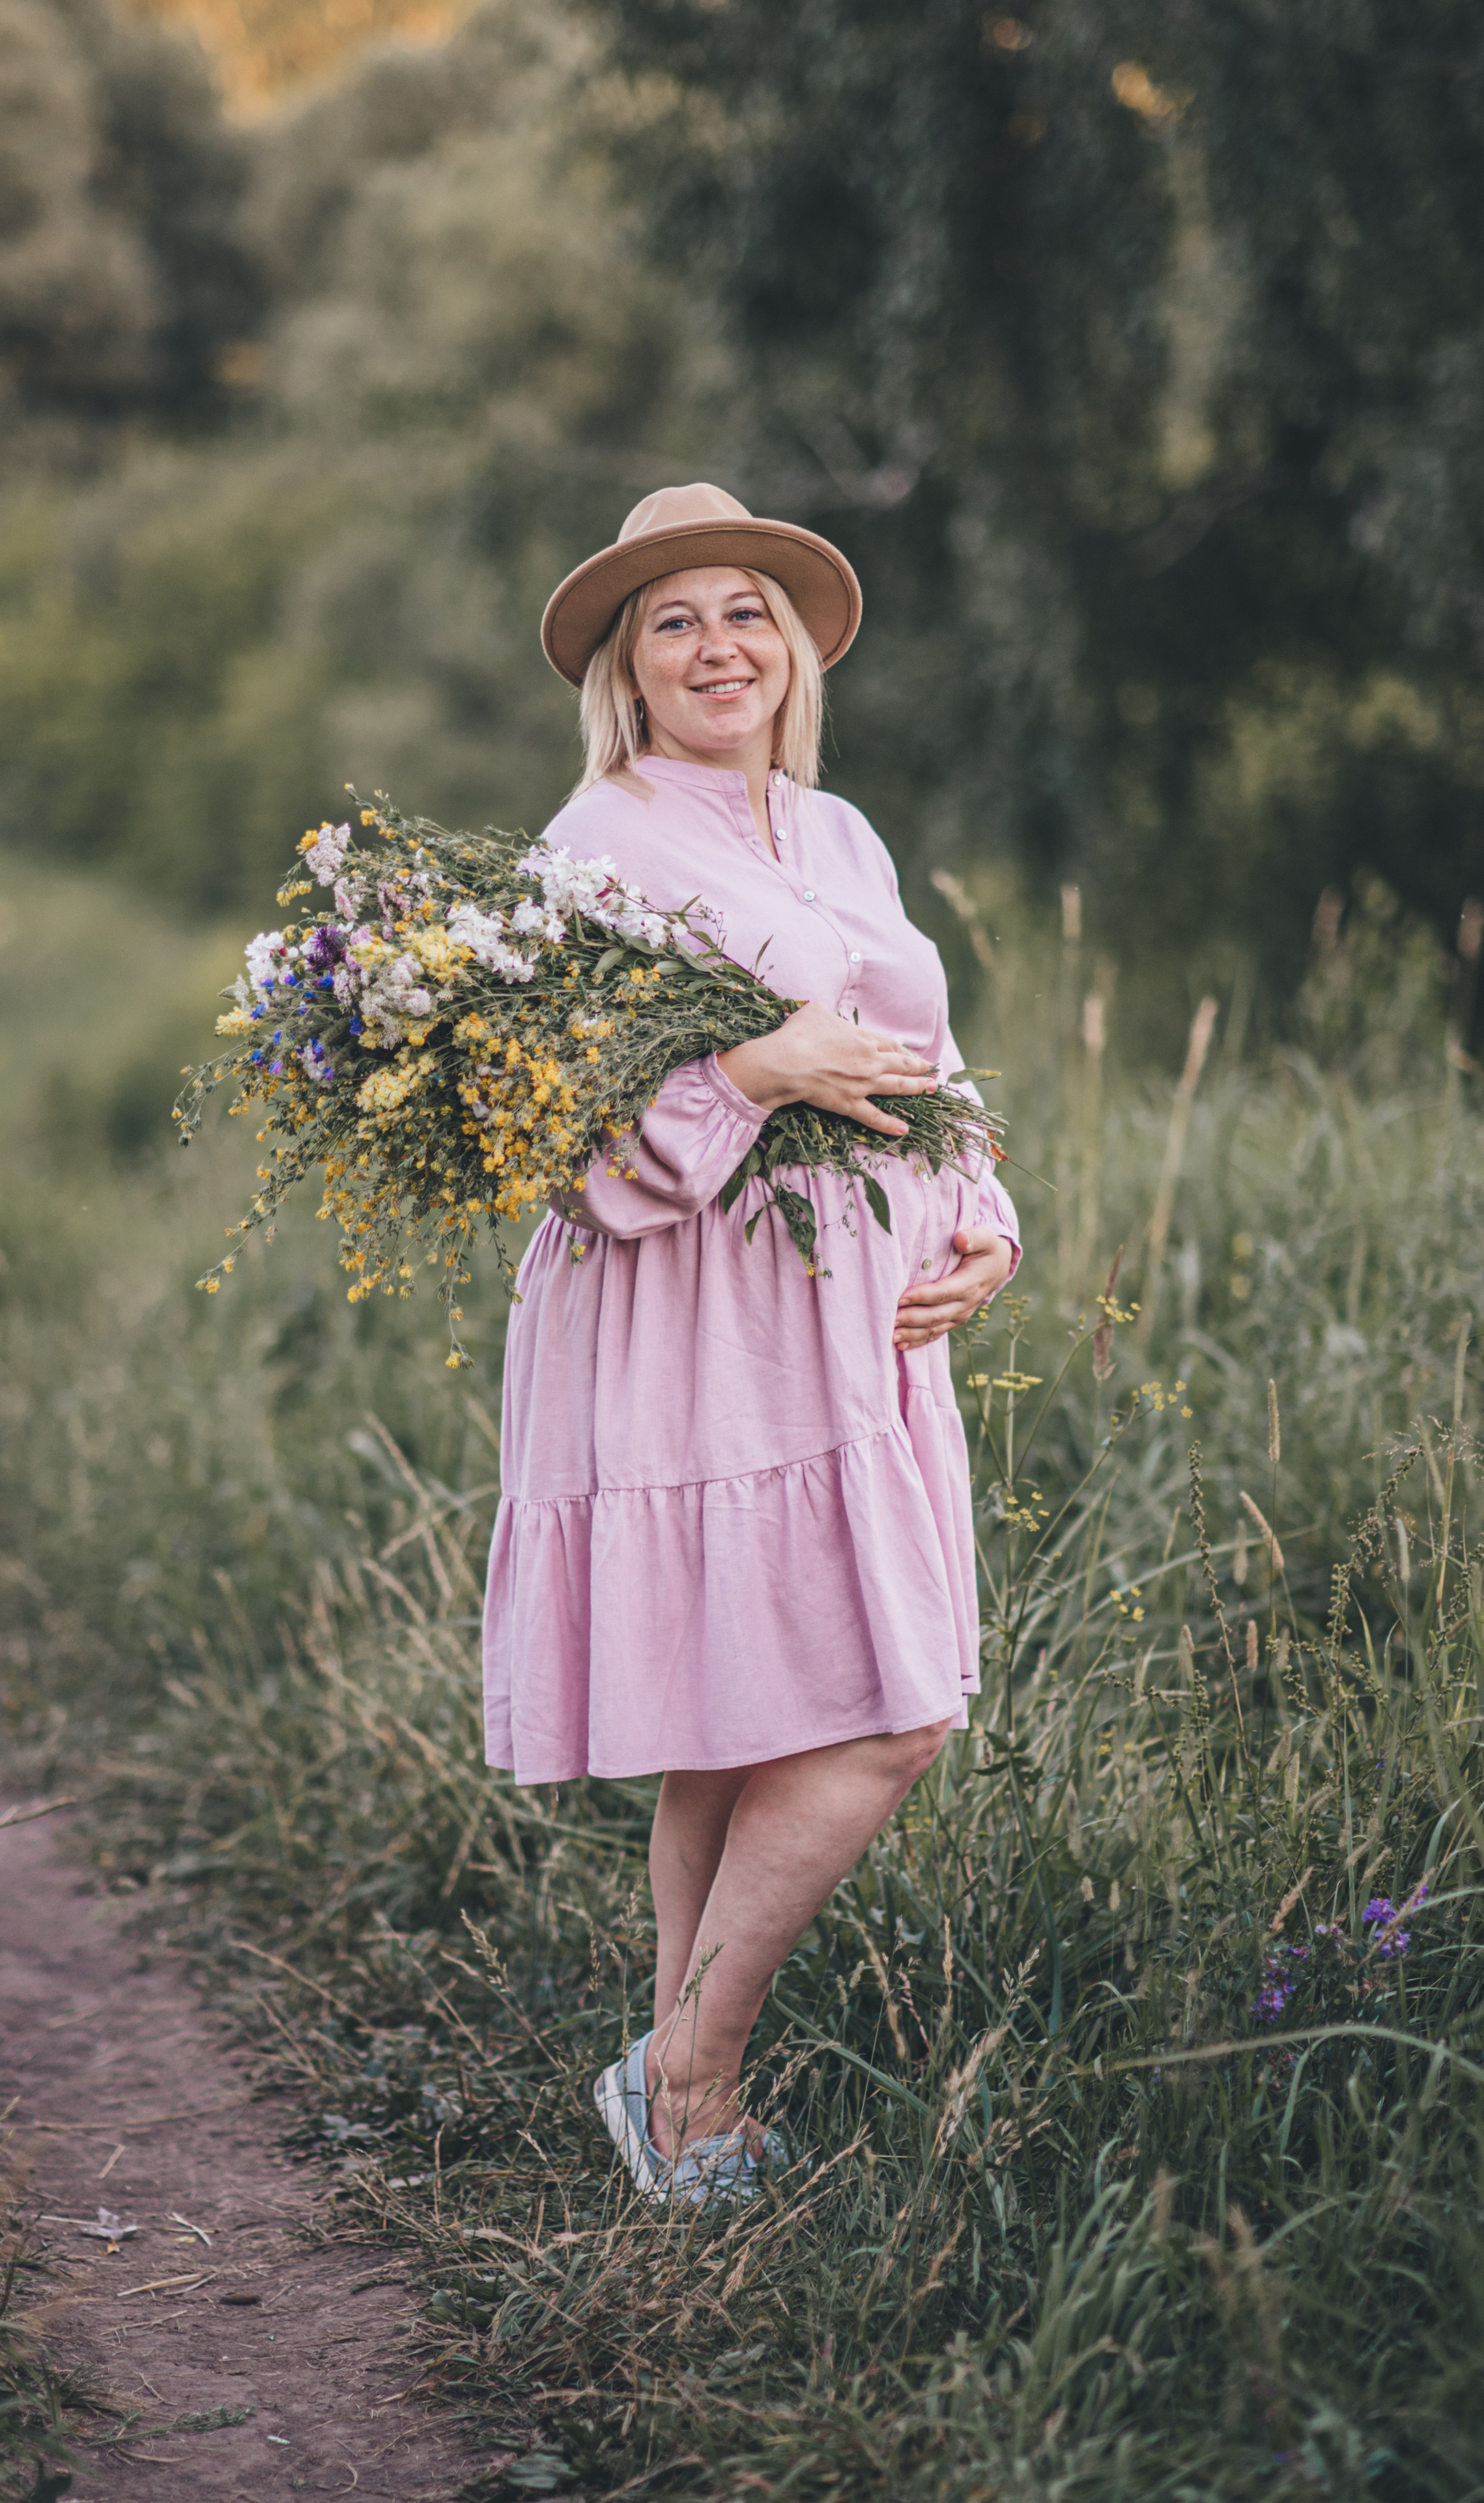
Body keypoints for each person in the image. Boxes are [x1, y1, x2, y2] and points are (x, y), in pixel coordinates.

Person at [481, 483, 1020, 2205]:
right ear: (627, 672)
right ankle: (689, 2068)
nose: (720, 645)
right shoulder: (597, 847)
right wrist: (755, 1078)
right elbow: (559, 1151)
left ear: (791, 646)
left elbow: (922, 1055)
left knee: (743, 1716)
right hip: (689, 1328)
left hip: (851, 1334)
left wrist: (985, 1207)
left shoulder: (834, 827)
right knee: (892, 1708)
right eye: (675, 620)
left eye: (745, 612)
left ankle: (681, 2114)